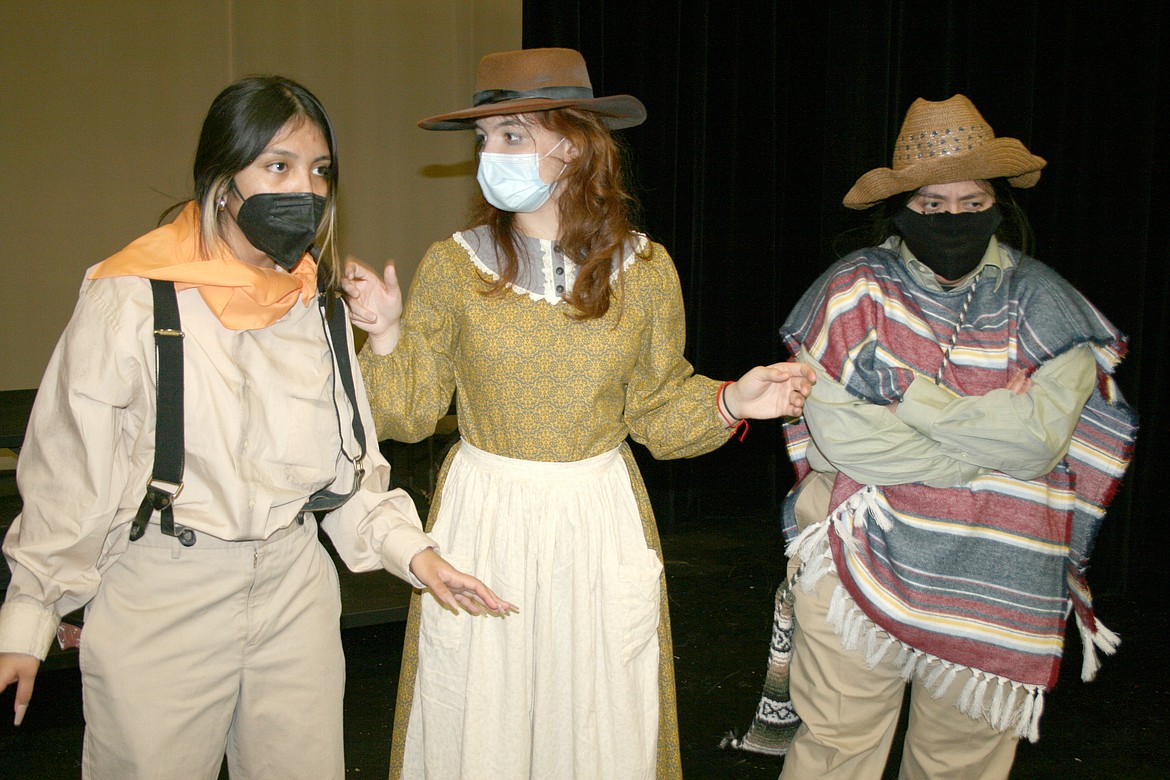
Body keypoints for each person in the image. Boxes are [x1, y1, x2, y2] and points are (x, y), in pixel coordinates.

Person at [0, 75, 511, 779]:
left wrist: (417, 555)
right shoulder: (129, 299)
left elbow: (349, 476)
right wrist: (28, 618)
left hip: (295, 588)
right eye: (278, 166)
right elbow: (68, 476)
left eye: (320, 171)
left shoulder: (318, 307)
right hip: (165, 589)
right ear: (221, 180)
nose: (306, 189)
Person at [342, 48, 815, 779]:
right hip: (486, 513)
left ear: (571, 142)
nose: (491, 156)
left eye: (512, 136)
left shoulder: (646, 270)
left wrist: (731, 400)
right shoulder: (453, 265)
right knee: (479, 705)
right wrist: (384, 334)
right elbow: (407, 412)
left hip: (595, 516)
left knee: (598, 713)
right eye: (486, 139)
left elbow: (659, 409)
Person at [773, 95, 1138, 778]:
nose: (952, 218)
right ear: (902, 206)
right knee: (834, 757)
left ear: (999, 204)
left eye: (970, 201)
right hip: (857, 562)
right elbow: (851, 443)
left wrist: (906, 392)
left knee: (959, 770)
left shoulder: (1048, 304)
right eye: (932, 203)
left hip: (995, 585)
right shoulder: (849, 292)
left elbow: (1038, 445)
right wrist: (990, 431)